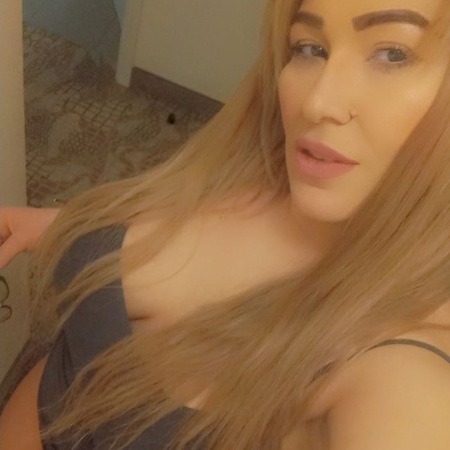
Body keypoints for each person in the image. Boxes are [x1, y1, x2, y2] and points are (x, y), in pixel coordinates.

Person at [1, 0, 450, 448]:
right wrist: (72, 228)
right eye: (310, 48)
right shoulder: (273, 157)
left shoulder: (406, 374)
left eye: (393, 54)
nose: (318, 102)